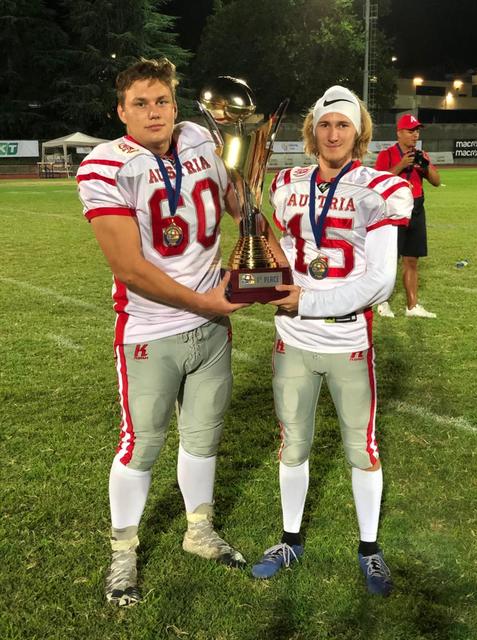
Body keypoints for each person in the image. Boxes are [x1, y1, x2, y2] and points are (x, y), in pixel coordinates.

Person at [76, 58, 281, 607]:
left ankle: (198, 528)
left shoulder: (200, 137)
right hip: (152, 328)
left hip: (212, 329)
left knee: (203, 437)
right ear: (121, 111)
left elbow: (241, 203)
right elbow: (129, 267)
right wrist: (208, 300)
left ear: (175, 103)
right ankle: (124, 551)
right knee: (140, 445)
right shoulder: (106, 164)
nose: (153, 112)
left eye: (161, 100)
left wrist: (268, 250)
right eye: (139, 103)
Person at [250, 86, 413, 597]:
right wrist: (261, 279)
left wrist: (307, 300)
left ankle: (369, 549)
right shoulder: (286, 182)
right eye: (325, 124)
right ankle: (290, 539)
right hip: (292, 339)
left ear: (358, 131)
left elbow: (380, 282)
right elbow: (282, 247)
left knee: (361, 449)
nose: (333, 133)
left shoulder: (381, 187)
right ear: (312, 131)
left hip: (347, 339)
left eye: (343, 124)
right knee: (292, 445)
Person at [375, 114, 441, 318]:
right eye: (411, 131)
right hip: (394, 211)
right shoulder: (386, 154)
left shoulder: (421, 155)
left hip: (417, 210)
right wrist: (401, 165)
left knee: (412, 260)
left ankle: (412, 307)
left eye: (417, 131)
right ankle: (382, 302)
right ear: (399, 133)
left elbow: (437, 182)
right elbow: (378, 183)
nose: (415, 135)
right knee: (389, 260)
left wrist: (426, 166)